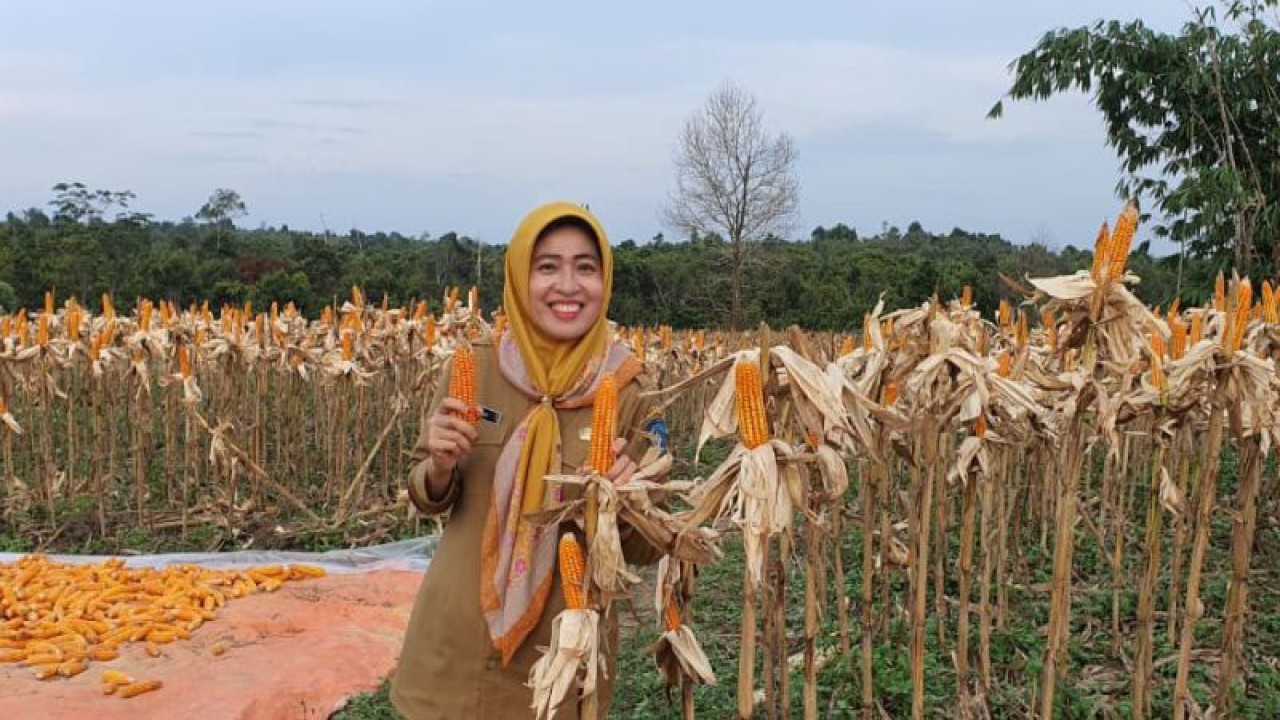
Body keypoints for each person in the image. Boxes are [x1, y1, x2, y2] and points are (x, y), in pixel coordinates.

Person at [391, 202, 665, 719]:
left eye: (586, 267)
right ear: (520, 277)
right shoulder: (477, 366)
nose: (568, 285)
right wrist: (439, 468)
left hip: (562, 652)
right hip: (454, 642)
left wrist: (629, 504)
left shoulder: (633, 394)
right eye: (547, 266)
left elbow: (642, 551)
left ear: (605, 280)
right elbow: (427, 495)